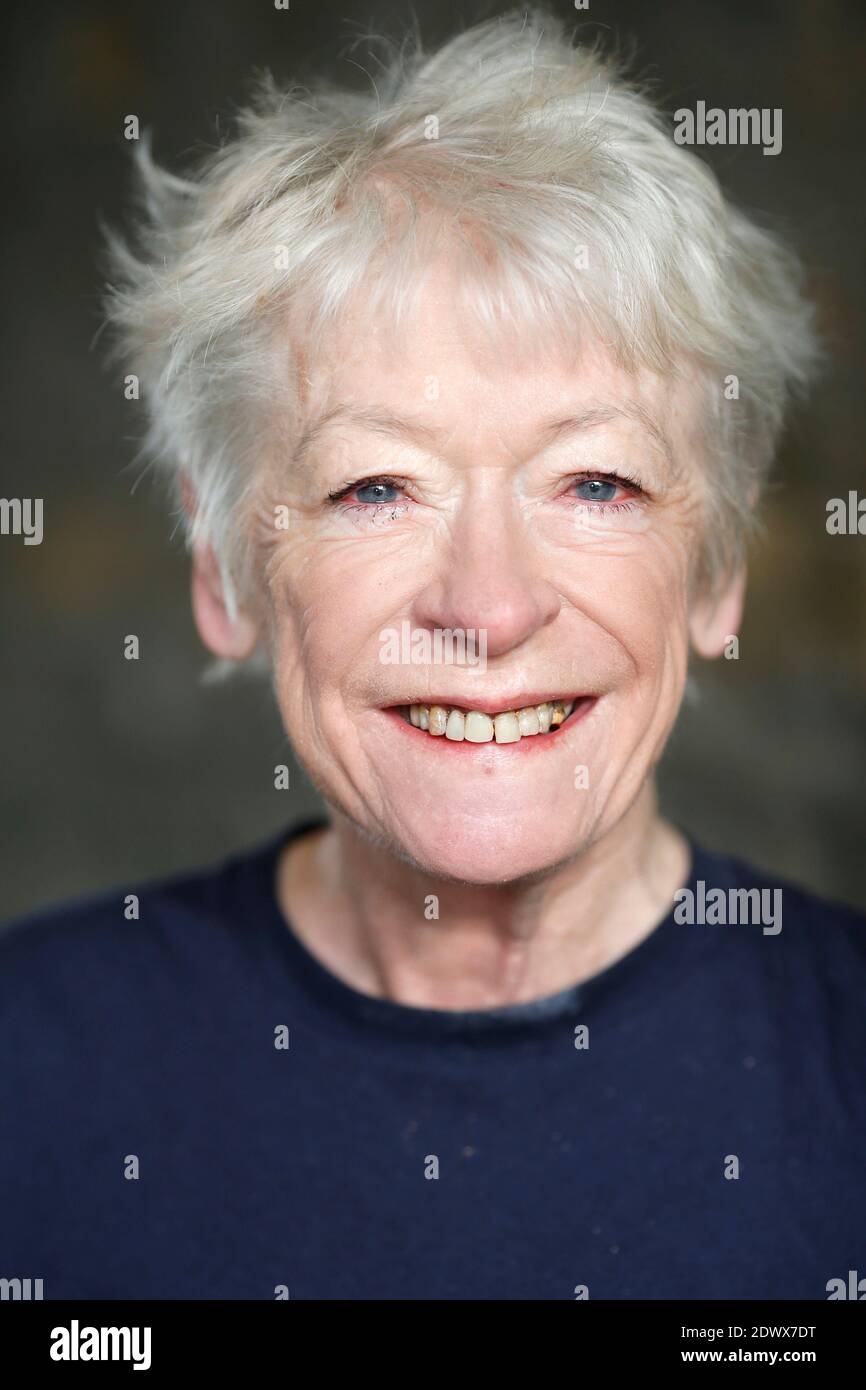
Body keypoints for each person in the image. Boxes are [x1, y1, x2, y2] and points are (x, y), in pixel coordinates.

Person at [2, 8, 864, 1301]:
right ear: (226, 571)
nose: (489, 603)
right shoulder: (30, 1062)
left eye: (596, 482)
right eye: (373, 489)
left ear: (718, 567)